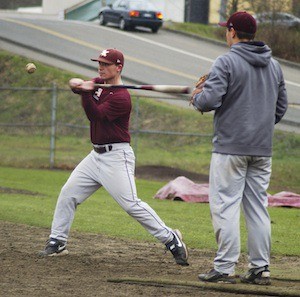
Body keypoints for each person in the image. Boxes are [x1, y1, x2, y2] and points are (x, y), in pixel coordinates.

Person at [39, 48, 189, 266]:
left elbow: (96, 116)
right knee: (68, 194)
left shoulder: (122, 97)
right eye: (99, 63)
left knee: (131, 204)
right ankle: (58, 241)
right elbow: (75, 82)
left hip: (116, 156)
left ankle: (170, 238)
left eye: (106, 64)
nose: (100, 67)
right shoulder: (97, 83)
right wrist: (79, 84)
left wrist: (86, 93)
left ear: (118, 67)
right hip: (95, 156)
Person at [191, 12, 287, 285]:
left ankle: (224, 268)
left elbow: (210, 100)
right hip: (262, 148)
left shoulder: (227, 60)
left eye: (227, 30)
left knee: (225, 207)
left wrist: (197, 97)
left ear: (233, 32)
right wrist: (259, 126)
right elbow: (279, 109)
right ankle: (260, 268)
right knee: (258, 208)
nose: (226, 33)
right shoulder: (275, 65)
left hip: (230, 148)